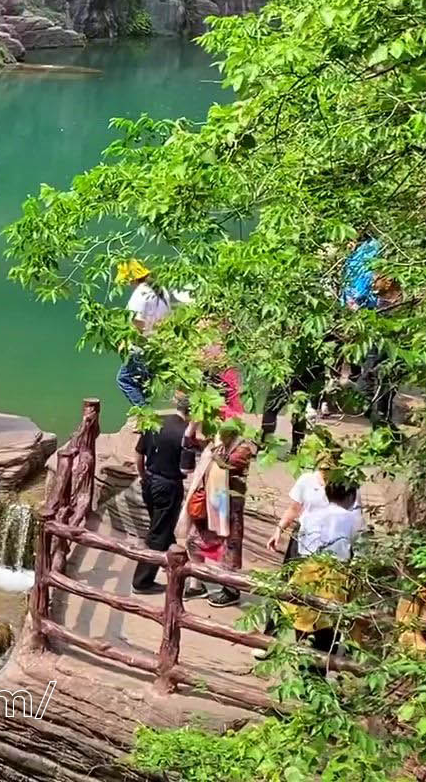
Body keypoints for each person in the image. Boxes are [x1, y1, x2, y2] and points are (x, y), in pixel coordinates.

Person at [278, 473, 365, 660]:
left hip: (307, 570)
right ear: (350, 497)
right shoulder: (354, 520)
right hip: (336, 575)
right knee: (329, 624)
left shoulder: (310, 517)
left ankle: (302, 665)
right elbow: (360, 551)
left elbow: (302, 546)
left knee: (302, 619)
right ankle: (323, 667)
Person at [183, 422, 257, 607]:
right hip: (210, 504)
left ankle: (231, 589)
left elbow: (225, 463)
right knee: (193, 540)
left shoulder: (243, 450)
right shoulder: (219, 444)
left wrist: (213, 446)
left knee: (229, 547)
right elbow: (190, 442)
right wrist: (194, 426)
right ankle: (196, 584)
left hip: (230, 508)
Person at [130, 410, 191, 593]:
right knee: (158, 532)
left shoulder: (153, 421)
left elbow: (139, 453)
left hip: (150, 481)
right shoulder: (184, 432)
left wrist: (143, 476)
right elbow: (186, 469)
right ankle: (142, 581)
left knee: (161, 526)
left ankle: (171, 561)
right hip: (168, 485)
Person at [116, 260, 173, 407]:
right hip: (160, 343)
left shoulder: (140, 294)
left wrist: (126, 342)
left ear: (132, 278)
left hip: (143, 344)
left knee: (124, 379)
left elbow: (138, 322)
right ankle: (145, 417)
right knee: (143, 381)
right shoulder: (161, 289)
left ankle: (144, 413)